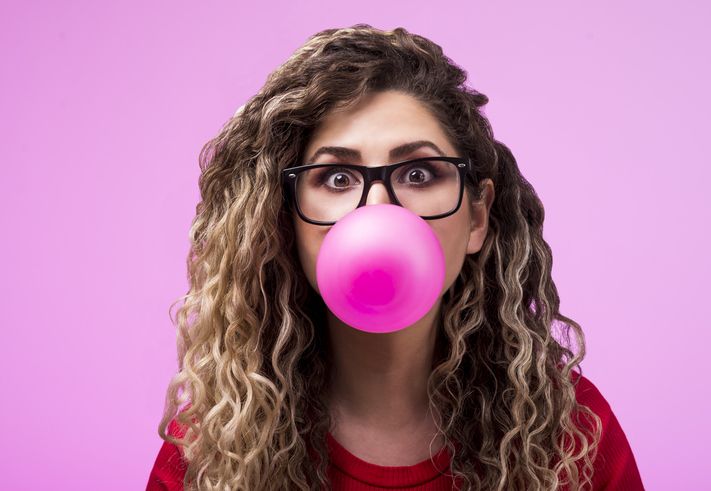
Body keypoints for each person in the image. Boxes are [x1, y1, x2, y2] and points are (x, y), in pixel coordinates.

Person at [146, 24, 644, 490]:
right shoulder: (213, 446)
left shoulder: (571, 434)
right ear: (285, 221)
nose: (378, 209)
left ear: (477, 217)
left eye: (420, 174)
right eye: (338, 179)